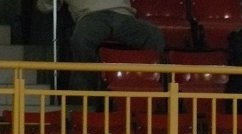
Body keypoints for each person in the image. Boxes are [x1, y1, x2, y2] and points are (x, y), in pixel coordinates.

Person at [35, 0, 165, 91]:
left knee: (154, 36)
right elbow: (45, 6)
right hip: (91, 15)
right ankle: (88, 87)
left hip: (124, 16)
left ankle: (150, 82)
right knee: (81, 39)